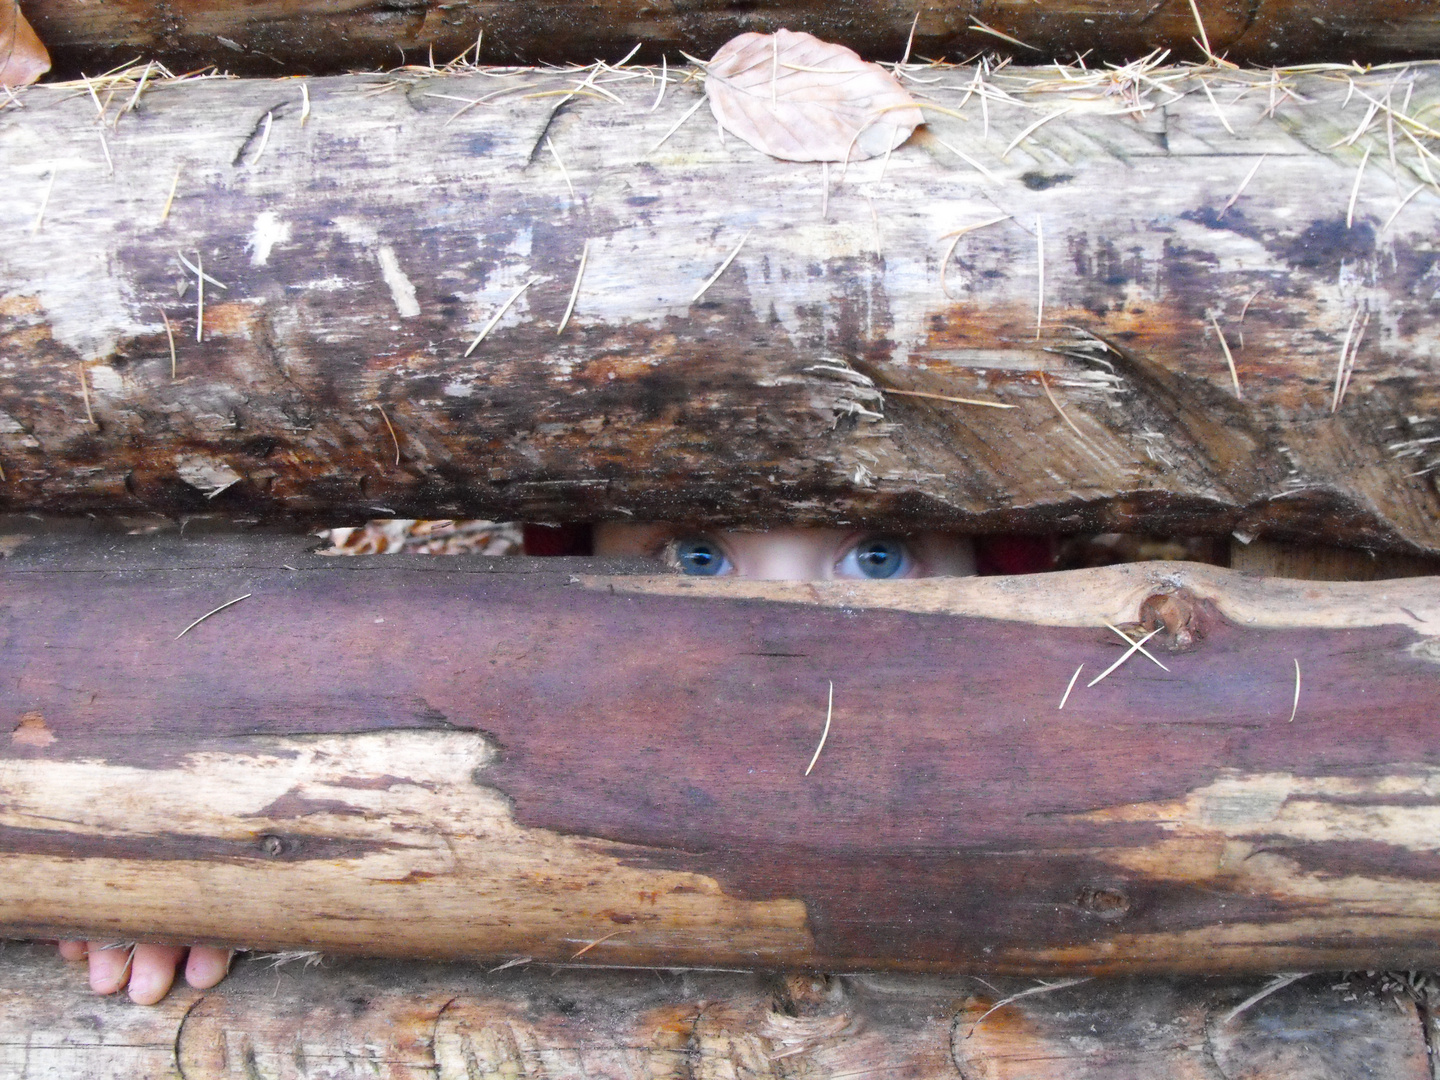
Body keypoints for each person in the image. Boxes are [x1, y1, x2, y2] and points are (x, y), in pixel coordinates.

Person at [59, 523, 981, 1003]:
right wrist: (220, 864)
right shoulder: (475, 750)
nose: (779, 630)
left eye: (878, 555)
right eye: (698, 558)